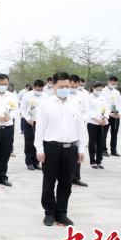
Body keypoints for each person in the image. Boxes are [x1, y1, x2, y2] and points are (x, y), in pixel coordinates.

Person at [35, 72, 87, 226]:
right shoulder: (46, 104)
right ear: (54, 86)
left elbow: (80, 128)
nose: (65, 89)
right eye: (62, 86)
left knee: (66, 183)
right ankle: (49, 212)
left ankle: (61, 213)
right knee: (49, 182)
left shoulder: (75, 103)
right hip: (51, 148)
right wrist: (39, 149)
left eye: (67, 86)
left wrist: (81, 149)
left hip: (70, 148)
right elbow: (40, 128)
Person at [67, 75, 89, 187]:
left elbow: (86, 111)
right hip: (66, 127)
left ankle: (76, 177)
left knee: (78, 151)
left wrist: (81, 119)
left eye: (75, 86)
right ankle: (66, 178)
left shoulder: (83, 96)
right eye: (71, 86)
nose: (73, 88)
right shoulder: (63, 95)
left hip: (78, 127)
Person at [20, 79, 45, 170]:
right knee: (29, 142)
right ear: (34, 87)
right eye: (38, 89)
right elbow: (22, 108)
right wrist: (27, 118)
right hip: (30, 122)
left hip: (40, 123)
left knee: (38, 142)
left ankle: (36, 162)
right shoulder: (27, 95)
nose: (39, 91)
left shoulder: (45, 96)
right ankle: (29, 162)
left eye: (41, 90)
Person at [86, 81, 109, 169]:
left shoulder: (102, 97)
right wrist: (96, 119)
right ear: (93, 88)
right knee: (92, 142)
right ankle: (92, 160)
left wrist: (106, 117)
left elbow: (107, 108)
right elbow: (88, 110)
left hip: (103, 123)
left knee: (101, 142)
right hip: (93, 123)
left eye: (100, 90)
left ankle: (99, 160)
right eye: (97, 89)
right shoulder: (88, 97)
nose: (99, 91)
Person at [101, 76, 121, 157]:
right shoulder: (103, 91)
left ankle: (114, 150)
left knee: (114, 134)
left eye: (115, 83)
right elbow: (102, 104)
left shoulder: (117, 92)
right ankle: (103, 150)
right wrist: (109, 114)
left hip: (116, 115)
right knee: (104, 133)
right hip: (107, 115)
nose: (113, 85)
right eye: (112, 83)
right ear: (108, 82)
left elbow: (120, 104)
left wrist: (119, 113)